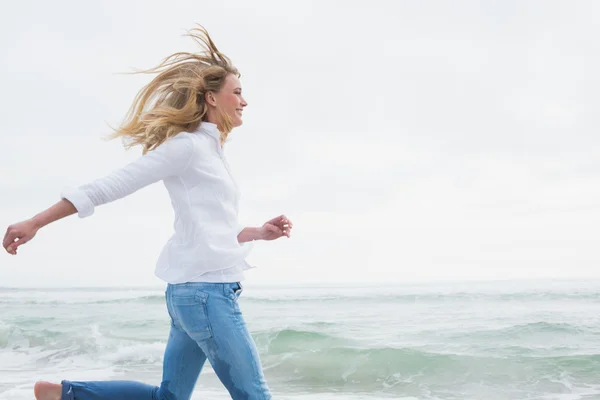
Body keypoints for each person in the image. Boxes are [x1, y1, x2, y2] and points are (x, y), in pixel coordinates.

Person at [2, 25, 292, 400]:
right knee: (256, 397)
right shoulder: (186, 147)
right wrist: (36, 221)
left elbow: (206, 229)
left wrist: (256, 232)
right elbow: (112, 185)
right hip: (206, 294)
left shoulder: (212, 150)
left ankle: (66, 395)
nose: (244, 101)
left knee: (168, 398)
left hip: (192, 291)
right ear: (211, 99)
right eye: (236, 92)